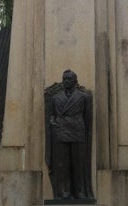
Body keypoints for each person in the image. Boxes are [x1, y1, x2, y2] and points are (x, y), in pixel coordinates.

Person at [47, 69, 93, 200]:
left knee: (78, 164)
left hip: (77, 131)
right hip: (60, 132)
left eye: (69, 79)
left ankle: (79, 191)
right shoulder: (56, 98)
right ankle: (64, 191)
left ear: (75, 81)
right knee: (62, 164)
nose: (66, 81)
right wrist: (53, 123)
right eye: (64, 79)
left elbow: (88, 117)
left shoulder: (84, 97)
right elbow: (50, 115)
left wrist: (84, 130)